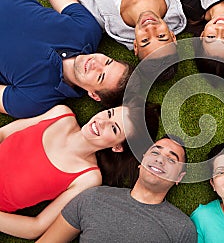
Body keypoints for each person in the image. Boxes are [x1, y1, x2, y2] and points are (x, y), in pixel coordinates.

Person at [0, 101, 151, 239]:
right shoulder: (61, 114)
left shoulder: (88, 178)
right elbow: (4, 133)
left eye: (113, 128)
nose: (102, 122)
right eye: (109, 113)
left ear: (117, 147)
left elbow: (36, 227)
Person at [0, 0, 133, 118]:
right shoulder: (87, 29)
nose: (96, 64)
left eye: (100, 76)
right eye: (107, 62)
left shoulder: (34, 100)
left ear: (94, 95)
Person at [37, 136, 197, 242]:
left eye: (171, 160)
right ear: (142, 161)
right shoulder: (93, 198)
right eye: (155, 152)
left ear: (179, 177)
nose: (160, 160)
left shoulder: (181, 228)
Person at [69, 0, 185, 62]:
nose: (150, 28)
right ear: (172, 36)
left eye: (145, 40)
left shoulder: (100, 16)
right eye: (161, 36)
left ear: (135, 45)